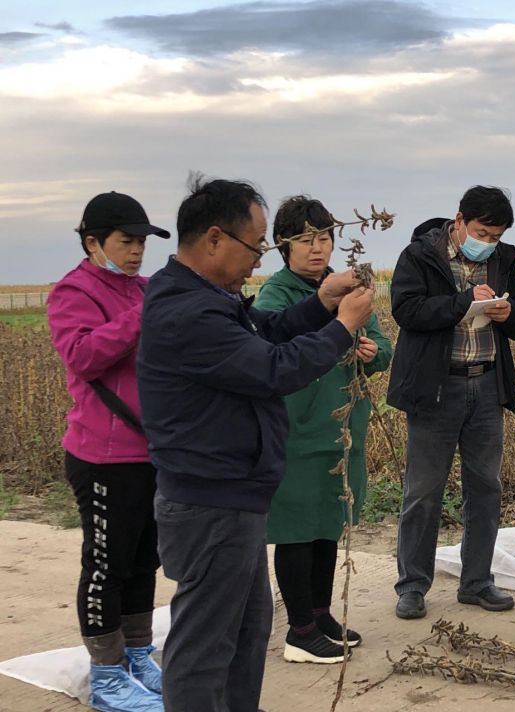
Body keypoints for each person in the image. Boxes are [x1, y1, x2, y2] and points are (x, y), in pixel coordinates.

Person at [137, 176, 374, 712]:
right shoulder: (187, 311)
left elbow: (266, 330)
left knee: (245, 630)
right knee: (204, 642)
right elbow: (272, 368)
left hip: (234, 495)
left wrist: (320, 302)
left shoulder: (208, 298)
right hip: (210, 500)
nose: (260, 256)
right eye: (256, 243)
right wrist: (341, 328)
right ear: (214, 239)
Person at [388, 185, 515, 619]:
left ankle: (477, 582)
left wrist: (511, 314)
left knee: (486, 487)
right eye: (481, 233)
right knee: (423, 491)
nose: (487, 242)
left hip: (487, 385)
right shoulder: (419, 256)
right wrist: (462, 302)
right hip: (437, 388)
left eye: (496, 236)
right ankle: (412, 586)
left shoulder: (503, 261)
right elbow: (407, 311)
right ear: (459, 221)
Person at [256, 196, 392, 664]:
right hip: (298, 429)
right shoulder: (276, 295)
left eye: (324, 238)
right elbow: (276, 348)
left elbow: (384, 344)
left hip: (343, 427)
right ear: (282, 245)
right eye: (305, 240)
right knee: (296, 528)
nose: (317, 248)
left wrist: (373, 351)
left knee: (327, 526)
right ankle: (299, 632)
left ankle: (320, 615)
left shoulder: (351, 287)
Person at [47, 192, 170, 712]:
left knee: (144, 561)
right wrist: (142, 316)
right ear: (92, 242)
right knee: (106, 566)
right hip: (103, 454)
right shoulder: (73, 292)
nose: (137, 251)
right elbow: (81, 355)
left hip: (151, 450)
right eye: (127, 241)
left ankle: (138, 655)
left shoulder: (143, 288)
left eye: (142, 241)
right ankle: (106, 673)